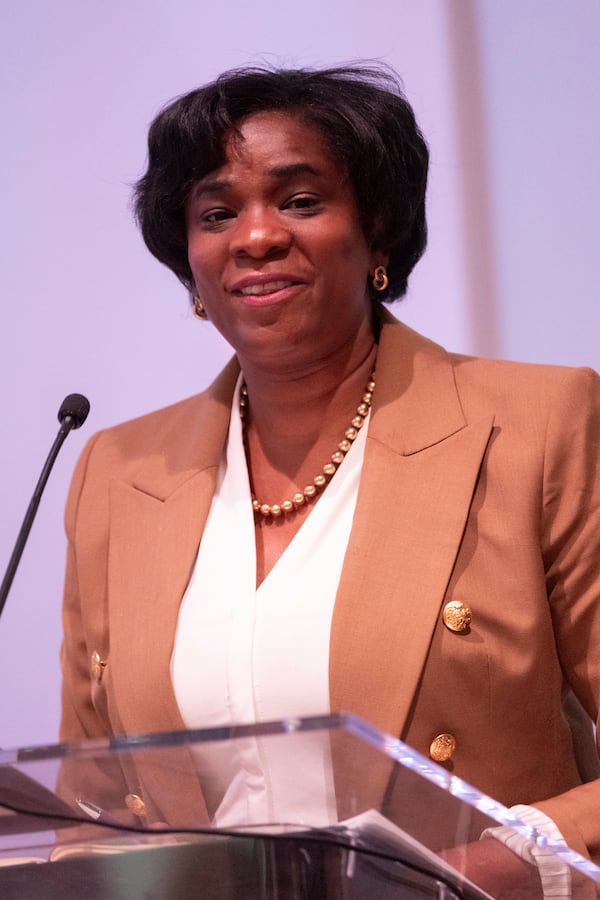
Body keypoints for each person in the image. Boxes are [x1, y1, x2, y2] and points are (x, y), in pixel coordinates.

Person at [58, 64, 600, 897]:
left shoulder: (537, 423)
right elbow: (87, 805)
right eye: (216, 213)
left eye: (301, 200)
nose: (256, 237)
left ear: (378, 232)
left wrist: (475, 873)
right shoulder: (118, 472)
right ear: (191, 261)